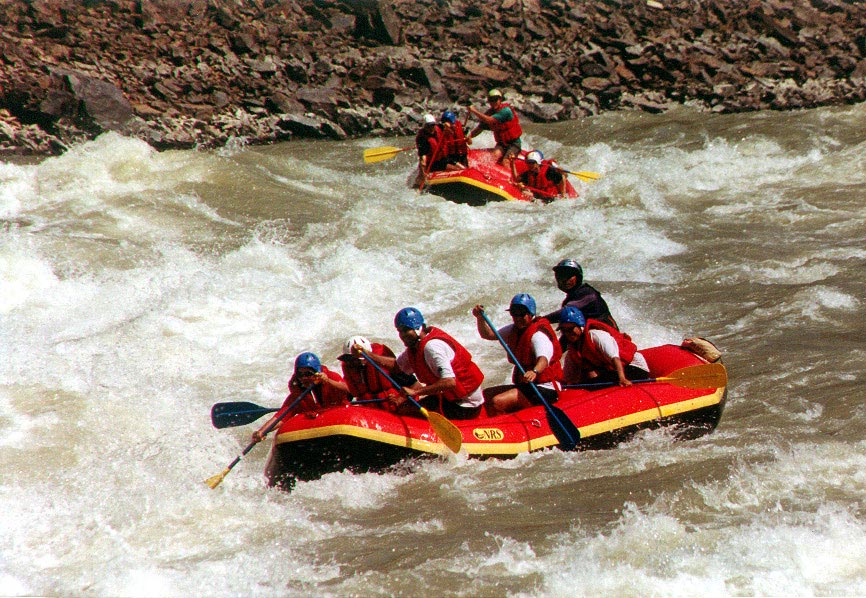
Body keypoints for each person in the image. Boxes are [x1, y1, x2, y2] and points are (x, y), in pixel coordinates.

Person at [364, 307, 485, 420]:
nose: (403, 335)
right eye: (400, 331)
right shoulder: (416, 347)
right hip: (449, 398)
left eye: (406, 330)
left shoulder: (432, 348)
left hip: (466, 405)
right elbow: (397, 367)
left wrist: (416, 392)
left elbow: (450, 382)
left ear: (418, 328)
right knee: (404, 410)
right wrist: (368, 355)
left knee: (409, 415)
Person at [472, 293, 563, 416]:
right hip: (528, 385)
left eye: (522, 313)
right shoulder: (514, 329)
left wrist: (534, 371)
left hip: (545, 388)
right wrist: (480, 318)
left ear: (530, 314)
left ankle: (503, 432)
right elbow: (488, 334)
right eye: (514, 313)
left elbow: (543, 359)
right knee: (486, 394)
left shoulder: (538, 335)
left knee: (497, 402)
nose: (517, 317)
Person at [251, 352, 350, 442]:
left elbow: (348, 389)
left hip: (340, 424)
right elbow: (281, 416)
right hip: (317, 431)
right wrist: (262, 431)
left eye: (308, 374)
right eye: (300, 374)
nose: (304, 378)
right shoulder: (297, 395)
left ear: (317, 373)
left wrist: (328, 381)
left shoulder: (331, 377)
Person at [557, 306, 649, 387]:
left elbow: (615, 358)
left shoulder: (596, 335)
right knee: (589, 380)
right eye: (564, 330)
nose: (568, 333)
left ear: (580, 326)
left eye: (570, 329)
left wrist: (622, 378)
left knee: (593, 384)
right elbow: (569, 377)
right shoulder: (573, 348)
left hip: (634, 367)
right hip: (614, 370)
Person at [338, 335, 417, 410]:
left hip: (398, 410)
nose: (351, 362)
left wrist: (399, 399)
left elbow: (416, 386)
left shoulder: (386, 368)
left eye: (353, 358)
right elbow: (350, 395)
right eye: (348, 359)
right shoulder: (351, 369)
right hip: (373, 415)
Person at [542, 258, 619, 331]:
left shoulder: (587, 293)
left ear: (578, 277)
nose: (564, 280)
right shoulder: (572, 297)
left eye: (568, 276)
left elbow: (565, 312)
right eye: (561, 276)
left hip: (608, 339)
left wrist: (541, 320)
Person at [467, 89, 523, 164]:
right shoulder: (490, 113)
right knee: (493, 157)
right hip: (501, 144)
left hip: (514, 144)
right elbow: (479, 129)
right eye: (491, 100)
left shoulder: (506, 111)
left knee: (505, 161)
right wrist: (468, 136)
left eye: (495, 100)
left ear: (500, 99)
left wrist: (474, 110)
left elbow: (489, 120)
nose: (493, 102)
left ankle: (512, 175)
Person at [413, 113, 442, 188]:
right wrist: (423, 173)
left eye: (433, 125)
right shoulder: (422, 139)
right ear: (424, 126)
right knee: (421, 175)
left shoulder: (439, 129)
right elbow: (423, 159)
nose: (431, 128)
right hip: (431, 162)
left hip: (440, 159)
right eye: (429, 126)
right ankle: (417, 187)